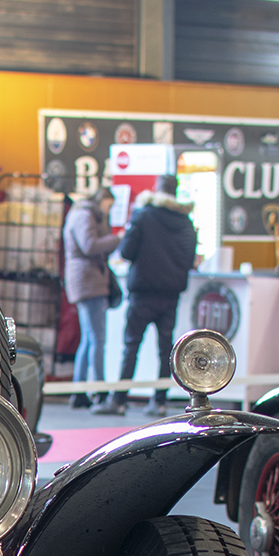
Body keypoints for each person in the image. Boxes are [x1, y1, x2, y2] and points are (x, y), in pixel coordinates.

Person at [99, 175, 198, 417]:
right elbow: (189, 259)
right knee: (166, 349)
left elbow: (127, 251)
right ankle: (159, 401)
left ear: (156, 189)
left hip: (143, 292)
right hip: (171, 293)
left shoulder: (143, 215)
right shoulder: (186, 221)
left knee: (131, 345)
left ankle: (119, 400)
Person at [61, 189, 120, 410]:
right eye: (109, 205)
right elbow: (89, 245)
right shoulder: (85, 216)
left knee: (88, 339)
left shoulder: (79, 214)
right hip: (89, 281)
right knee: (97, 339)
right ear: (102, 200)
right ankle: (99, 391)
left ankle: (79, 391)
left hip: (84, 280)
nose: (109, 210)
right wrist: (116, 239)